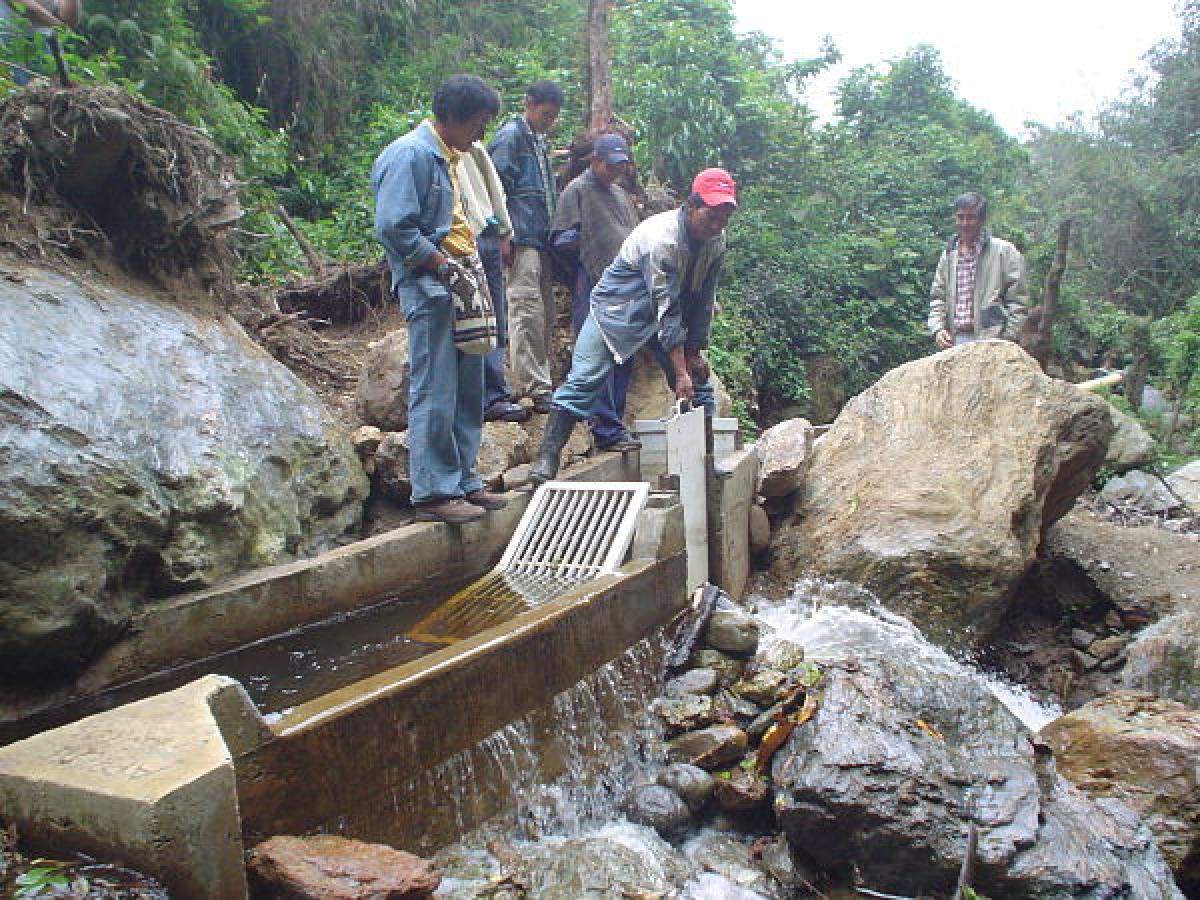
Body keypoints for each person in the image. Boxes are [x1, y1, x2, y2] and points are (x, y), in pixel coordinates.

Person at [531, 167, 737, 484]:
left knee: (699, 384)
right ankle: (547, 458)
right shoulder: (662, 239)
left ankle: (706, 462)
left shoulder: (715, 242)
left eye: (724, 218)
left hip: (665, 314)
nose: (717, 225)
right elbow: (665, 305)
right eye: (712, 216)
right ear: (692, 205)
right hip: (618, 309)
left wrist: (694, 353)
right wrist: (678, 371)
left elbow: (702, 300)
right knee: (584, 380)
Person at [371, 74, 509, 525]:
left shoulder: (451, 156)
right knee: (436, 386)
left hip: (461, 278)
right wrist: (438, 263)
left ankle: (464, 480)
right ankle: (433, 490)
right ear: (453, 116)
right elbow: (393, 226)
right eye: (478, 123)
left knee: (471, 384)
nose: (480, 135)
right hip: (432, 284)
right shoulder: (410, 154)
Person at [549, 132, 641, 451]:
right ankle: (604, 428)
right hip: (591, 281)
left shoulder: (620, 195)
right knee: (596, 356)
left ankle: (614, 423)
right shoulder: (577, 190)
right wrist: (585, 247)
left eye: (620, 167)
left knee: (622, 354)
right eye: (610, 165)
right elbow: (560, 239)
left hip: (626, 287)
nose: (614, 172)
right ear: (595, 161)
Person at [488, 80, 562, 414]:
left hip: (540, 238)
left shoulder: (538, 142)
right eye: (546, 114)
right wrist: (502, 234)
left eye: (553, 117)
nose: (549, 121)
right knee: (525, 309)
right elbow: (493, 189)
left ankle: (539, 382)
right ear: (529, 104)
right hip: (520, 237)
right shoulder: (510, 138)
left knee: (542, 314)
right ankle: (533, 386)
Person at [456, 141, 531, 424]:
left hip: (487, 231)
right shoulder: (432, 150)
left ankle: (495, 394)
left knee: (495, 318)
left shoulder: (473, 147)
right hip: (465, 236)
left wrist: (504, 231)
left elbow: (494, 188)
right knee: (474, 320)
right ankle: (480, 396)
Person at [928, 191, 1029, 349]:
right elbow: (938, 297)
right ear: (955, 218)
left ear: (981, 219)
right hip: (954, 341)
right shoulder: (949, 254)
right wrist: (938, 329)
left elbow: (1018, 301)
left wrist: (1008, 338)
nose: (965, 223)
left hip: (992, 341)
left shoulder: (1004, 251)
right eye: (961, 217)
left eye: (971, 217)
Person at [0, 0, 80, 84]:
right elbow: (20, 5)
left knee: (58, 92)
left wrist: (61, 28)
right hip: (11, 41)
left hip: (49, 43)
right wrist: (60, 27)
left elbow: (69, 19)